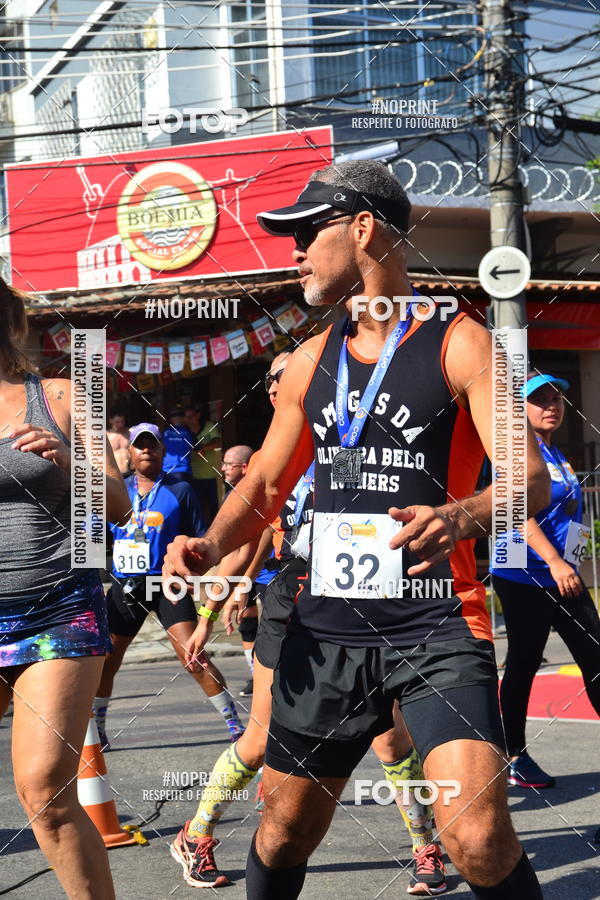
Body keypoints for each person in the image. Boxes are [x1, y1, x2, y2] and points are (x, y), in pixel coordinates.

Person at [164, 161, 551, 899]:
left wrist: (459, 514)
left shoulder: (459, 342)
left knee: (475, 832)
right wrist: (211, 543)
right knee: (283, 830)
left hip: (438, 624)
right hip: (326, 629)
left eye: (309, 233)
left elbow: (528, 479)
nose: (296, 252)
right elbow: (268, 484)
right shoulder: (312, 359)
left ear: (364, 228)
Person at [169, 354, 447, 894]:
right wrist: (207, 613)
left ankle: (424, 847)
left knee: (391, 740)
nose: (294, 383)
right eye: (280, 377)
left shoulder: (339, 447)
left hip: (365, 602)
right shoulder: (269, 466)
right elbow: (246, 543)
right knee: (259, 738)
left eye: (307, 374)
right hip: (292, 603)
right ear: (272, 390)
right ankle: (195, 832)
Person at [0, 278, 131, 899]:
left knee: (45, 792)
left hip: (58, 610)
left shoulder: (56, 396)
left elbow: (120, 504)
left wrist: (68, 459)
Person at [93, 423, 245, 750]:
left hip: (167, 585)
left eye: (152, 445)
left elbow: (202, 539)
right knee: (105, 661)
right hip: (125, 586)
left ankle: (235, 726)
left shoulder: (181, 490)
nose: (146, 450)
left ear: (163, 451)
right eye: (139, 445)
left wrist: (213, 583)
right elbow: (95, 537)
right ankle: (100, 732)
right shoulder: (116, 490)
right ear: (130, 453)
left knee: (194, 656)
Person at [491, 372, 600, 788]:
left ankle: (513, 753)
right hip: (525, 577)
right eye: (540, 399)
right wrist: (554, 560)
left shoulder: (557, 454)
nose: (552, 405)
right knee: (523, 664)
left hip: (562, 577)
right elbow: (517, 513)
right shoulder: (516, 453)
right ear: (520, 409)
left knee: (595, 657)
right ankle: (513, 754)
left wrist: (569, 557)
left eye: (556, 398)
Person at [221, 442, 263, 695]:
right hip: (242, 570)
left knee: (273, 626)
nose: (223, 468)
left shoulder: (259, 494)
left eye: (229, 464)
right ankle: (254, 676)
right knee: (246, 624)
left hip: (268, 570)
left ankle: (271, 675)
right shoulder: (229, 495)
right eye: (223, 463)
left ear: (245, 467)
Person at [185, 403, 222, 523]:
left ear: (198, 416)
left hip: (212, 475)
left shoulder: (209, 426)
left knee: (215, 508)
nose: (189, 420)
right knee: (198, 509)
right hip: (194, 476)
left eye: (191, 416)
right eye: (186, 417)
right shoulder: (184, 432)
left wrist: (203, 447)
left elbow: (217, 442)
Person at [162, 404, 194, 483]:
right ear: (183, 418)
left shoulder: (164, 433)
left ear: (171, 419)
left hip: (166, 471)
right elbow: (197, 449)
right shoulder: (189, 433)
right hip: (183, 470)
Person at [107, 408, 130, 476]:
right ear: (110, 421)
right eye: (117, 422)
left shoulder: (130, 433)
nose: (120, 425)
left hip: (130, 473)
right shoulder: (107, 436)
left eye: (122, 422)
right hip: (115, 474)